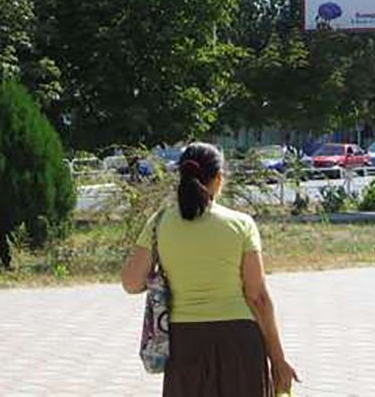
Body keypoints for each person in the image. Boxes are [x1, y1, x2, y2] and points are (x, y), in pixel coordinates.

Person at [121, 142, 298, 396]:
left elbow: (131, 282)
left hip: (185, 344)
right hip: (239, 342)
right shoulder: (241, 224)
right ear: (218, 179)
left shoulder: (159, 222)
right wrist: (278, 360)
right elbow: (257, 297)